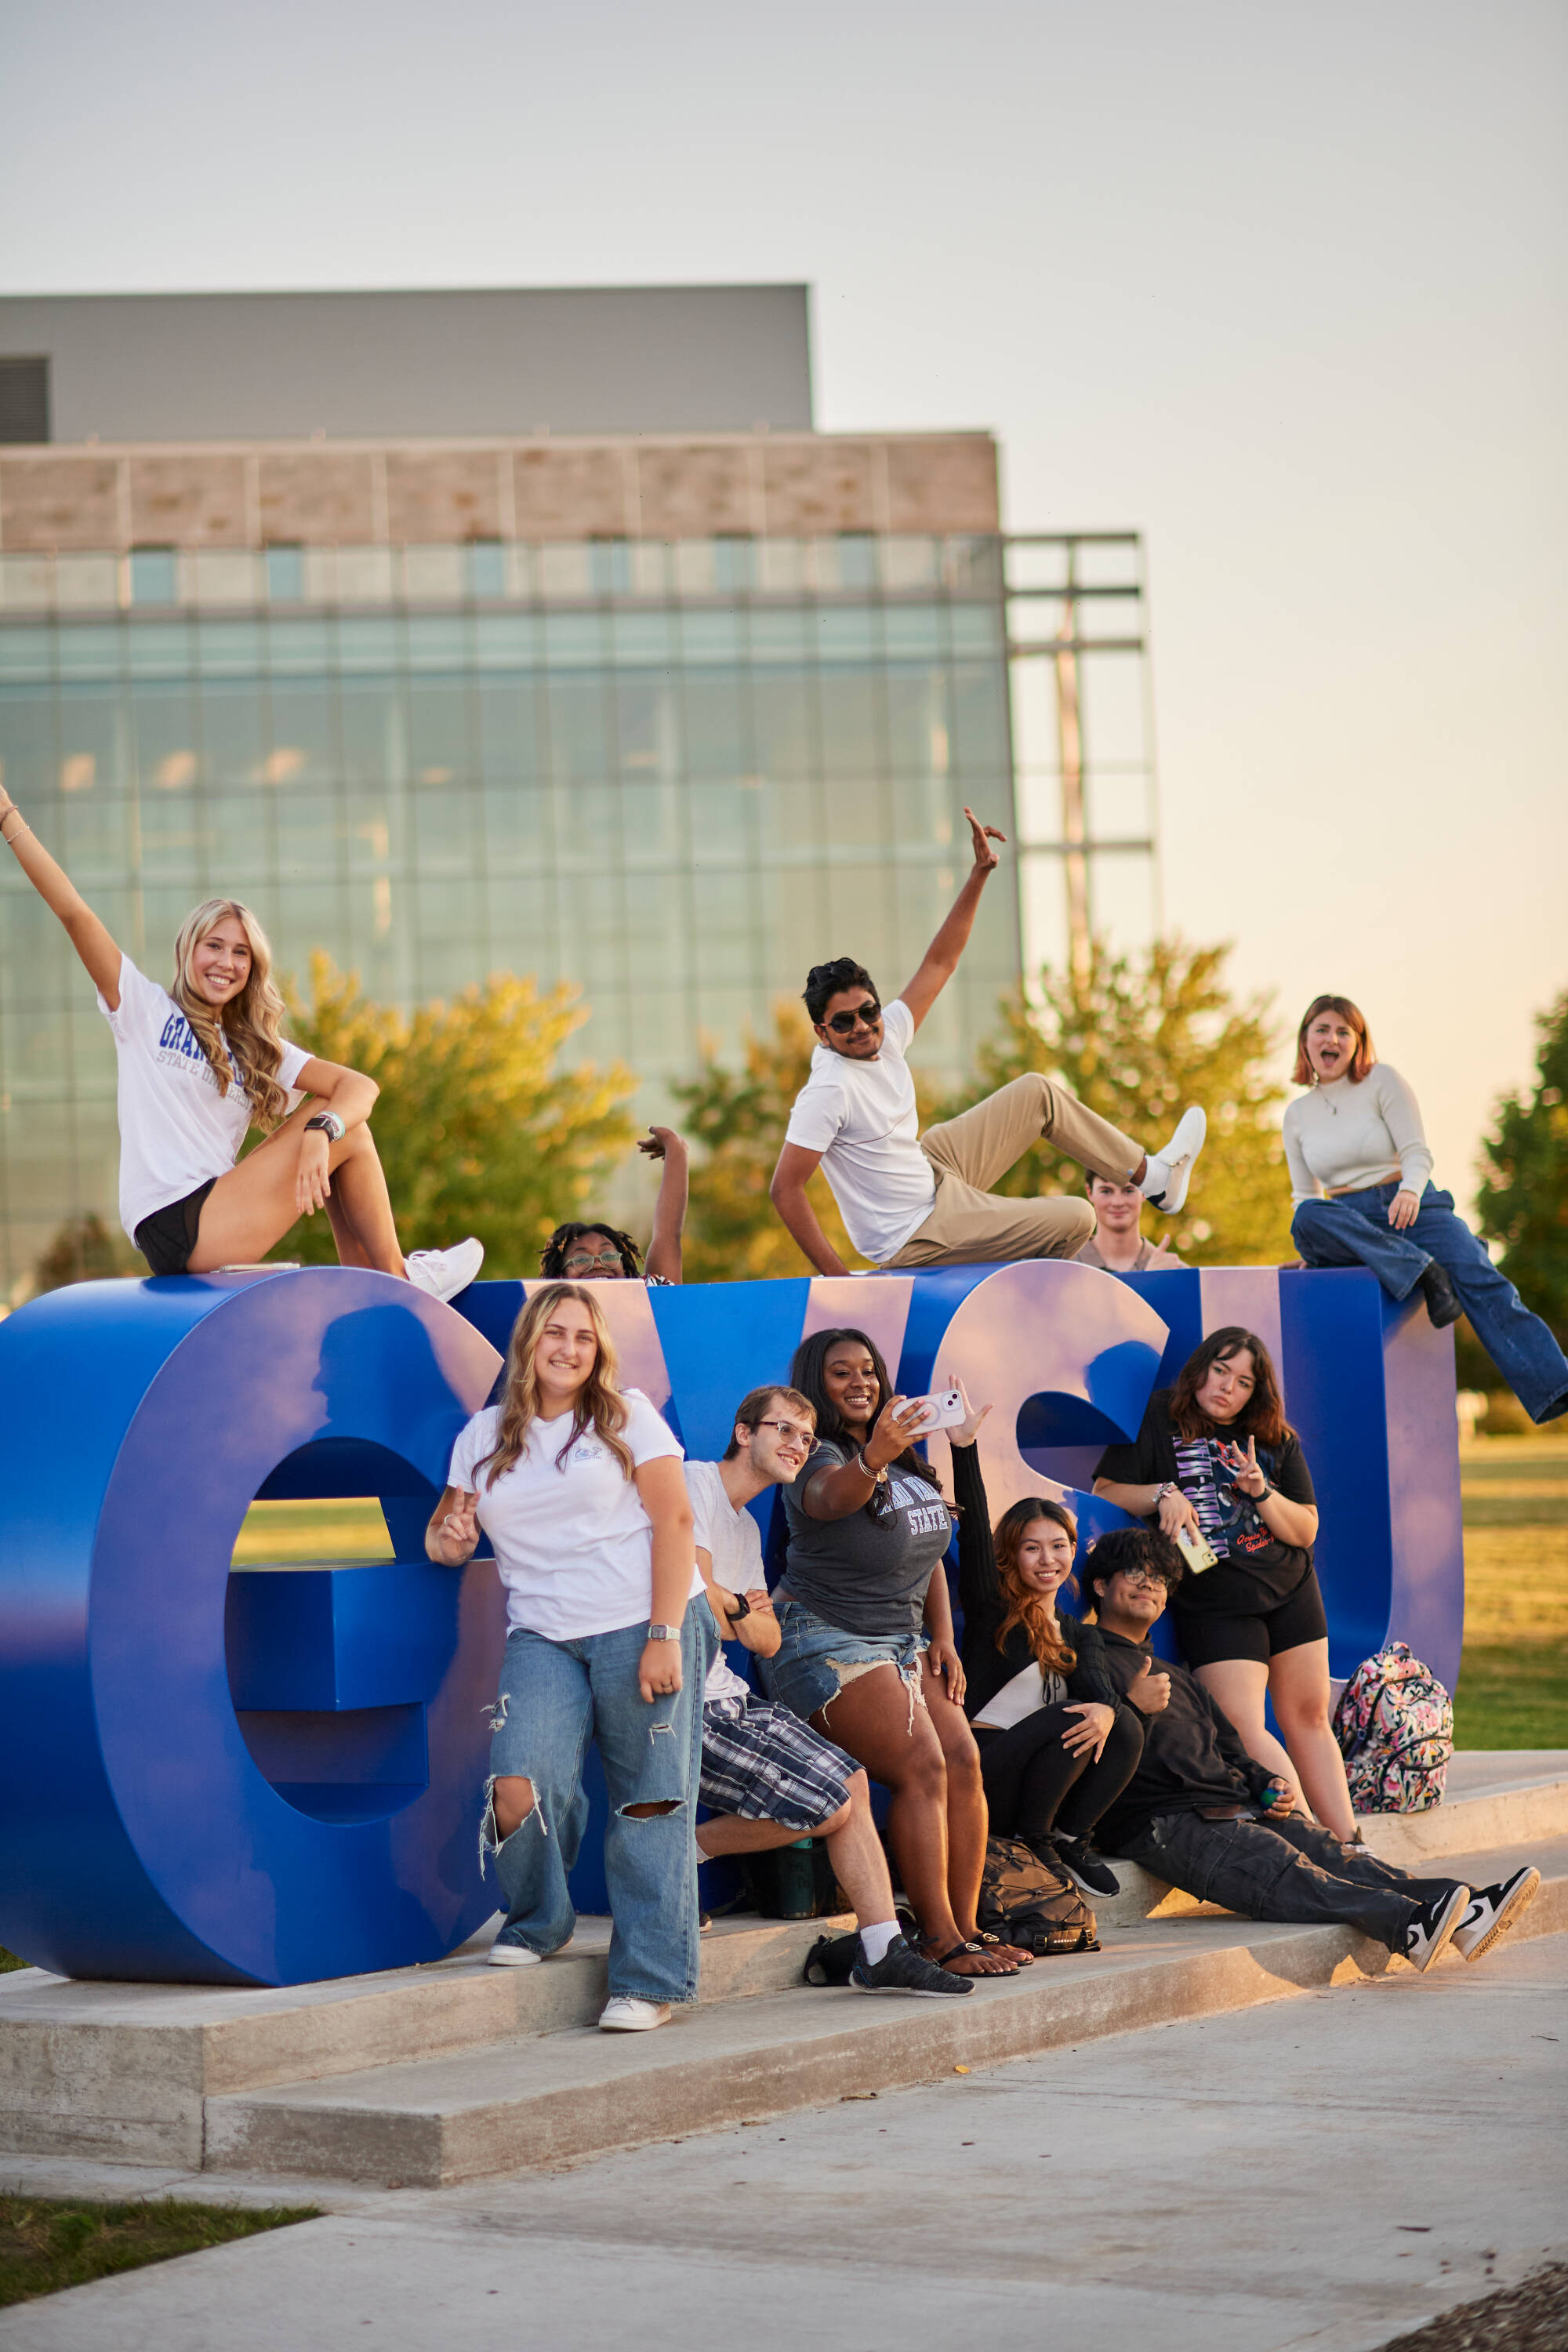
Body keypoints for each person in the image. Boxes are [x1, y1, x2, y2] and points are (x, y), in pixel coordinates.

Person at [0, 790, 481, 1296]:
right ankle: (401, 1280)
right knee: (347, 1131)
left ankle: (374, 1288)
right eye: (213, 946)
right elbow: (75, 913)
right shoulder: (143, 1009)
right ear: (188, 948)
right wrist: (9, 818)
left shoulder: (252, 1046)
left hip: (215, 1215)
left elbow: (360, 1087)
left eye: (240, 953)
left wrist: (321, 1131)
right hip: (175, 1221)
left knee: (342, 1125)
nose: (225, 963)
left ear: (253, 968)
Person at [426, 1281, 713, 2033]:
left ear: (599, 1350)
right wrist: (449, 1543)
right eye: (556, 1334)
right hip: (544, 1635)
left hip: (642, 1622)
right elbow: (444, 1533)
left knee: (650, 1802)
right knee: (518, 1782)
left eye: (584, 1337)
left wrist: (662, 1635)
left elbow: (676, 1519)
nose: (569, 1349)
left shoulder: (628, 1417)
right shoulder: (482, 1435)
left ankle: (650, 1981)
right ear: (529, 1342)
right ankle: (538, 1919)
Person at [768, 804, 1206, 1272]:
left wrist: (979, 874)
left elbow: (940, 964)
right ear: (822, 1032)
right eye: (843, 1023)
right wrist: (840, 1279)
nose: (861, 1028)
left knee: (1039, 1093)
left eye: (868, 1012)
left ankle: (1156, 1179)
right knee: (1079, 1217)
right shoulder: (830, 1090)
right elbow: (785, 1189)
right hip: (917, 1231)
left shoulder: (886, 1032)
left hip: (930, 1169)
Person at [1083, 1528, 1541, 1971]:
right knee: (1286, 1869)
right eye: (1135, 1573)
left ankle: (1466, 1908)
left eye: (1160, 1579)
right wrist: (1129, 1706)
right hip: (1166, 1822)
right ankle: (1411, 1927)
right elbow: (1091, 1752)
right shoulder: (1086, 1663)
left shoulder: (1176, 1675)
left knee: (1333, 1852)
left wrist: (1266, 1784)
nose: (1150, 1584)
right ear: (1101, 1585)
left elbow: (1232, 1749)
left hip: (1232, 1805)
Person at [760, 1326, 1029, 1978]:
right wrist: (875, 1456)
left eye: (869, 1371)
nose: (861, 1383)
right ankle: (935, 1938)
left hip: (904, 1643)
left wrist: (942, 1635)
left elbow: (928, 1553)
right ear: (814, 1385)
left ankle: (965, 1929)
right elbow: (831, 1500)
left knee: (965, 1761)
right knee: (922, 1766)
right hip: (822, 1640)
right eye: (841, 1373)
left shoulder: (903, 1457)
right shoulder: (811, 1453)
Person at [686, 1385, 973, 1998]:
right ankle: (678, 1852)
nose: (798, 1445)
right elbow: (701, 1605)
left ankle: (883, 1949)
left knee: (851, 1785)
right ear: (745, 1433)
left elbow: (761, 1638)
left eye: (807, 1437)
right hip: (679, 1698)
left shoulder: (739, 1528)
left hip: (727, 1691)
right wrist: (736, 1605)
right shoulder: (694, 1485)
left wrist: (729, 1603)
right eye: (783, 1430)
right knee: (834, 1802)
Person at [1091, 1325, 1356, 1841]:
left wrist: (1261, 1492)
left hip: (1291, 1587)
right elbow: (1106, 1487)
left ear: (1255, 1392)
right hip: (1214, 1601)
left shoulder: (1274, 1437)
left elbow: (1303, 1530)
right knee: (1241, 1725)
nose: (1227, 1387)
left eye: (1243, 1381)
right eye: (1220, 1370)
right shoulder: (1159, 1416)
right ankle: (1318, 1846)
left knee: (1308, 1715)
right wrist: (1162, 1493)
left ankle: (1350, 1841)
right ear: (1202, 1367)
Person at [1285, 995, 1567, 1426]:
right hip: (1349, 1220)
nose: (1333, 1039)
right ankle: (1422, 1271)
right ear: (1305, 1040)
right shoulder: (1297, 1115)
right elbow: (1305, 1196)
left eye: (1345, 1031)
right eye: (1323, 1029)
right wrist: (1320, 1242)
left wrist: (1411, 1192)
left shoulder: (1383, 1081)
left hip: (1409, 1205)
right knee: (1305, 1219)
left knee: (1481, 1276)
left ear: (1359, 1043)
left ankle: (1556, 1385)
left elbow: (1416, 1151)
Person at [949, 1390, 1142, 1897]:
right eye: (1031, 1548)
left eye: (1058, 1547)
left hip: (1039, 1780)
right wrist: (964, 1449)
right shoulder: (993, 1609)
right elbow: (971, 1538)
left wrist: (1105, 1710)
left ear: (1074, 1551)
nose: (1046, 1559)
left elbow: (1101, 1691)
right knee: (1075, 1713)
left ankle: (1069, 1836)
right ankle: (1035, 1840)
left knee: (1121, 1722)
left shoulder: (1080, 1632)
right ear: (1011, 1555)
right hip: (985, 1771)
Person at [541, 1126, 690, 1285]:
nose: (598, 1264)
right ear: (560, 1278)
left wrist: (675, 1145)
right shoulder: (548, 1309)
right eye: (581, 1259)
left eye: (609, 1256)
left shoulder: (650, 1296)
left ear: (625, 1270)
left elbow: (667, 1236)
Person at [1074, 1171, 1182, 1274]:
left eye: (1128, 1191)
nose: (1118, 1202)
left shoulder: (1175, 1270)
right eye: (1106, 1191)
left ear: (1145, 1191)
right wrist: (1151, 1281)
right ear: (1089, 1192)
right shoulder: (1065, 1266)